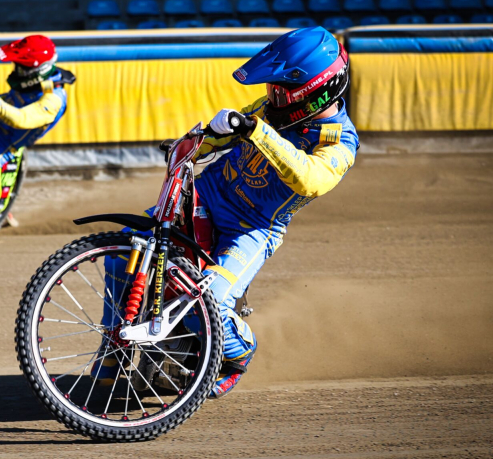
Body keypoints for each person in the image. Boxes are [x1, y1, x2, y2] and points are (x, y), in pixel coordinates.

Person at [94, 26, 359, 399]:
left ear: (314, 94)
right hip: (204, 194)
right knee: (126, 256)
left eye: (280, 90)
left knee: (207, 302)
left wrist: (256, 131)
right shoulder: (269, 110)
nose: (271, 97)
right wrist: (197, 140)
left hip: (252, 229)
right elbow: (226, 134)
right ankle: (112, 352)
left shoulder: (339, 141)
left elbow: (311, 180)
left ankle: (238, 353)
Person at [0, 35, 75, 234]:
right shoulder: (32, 82)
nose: (16, 70)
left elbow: (21, 119)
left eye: (20, 66)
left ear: (36, 70)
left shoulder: (54, 98)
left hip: (0, 145)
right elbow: (11, 99)